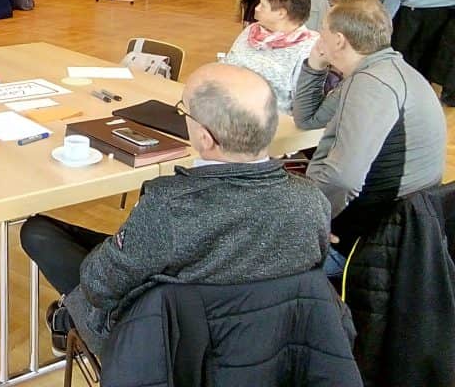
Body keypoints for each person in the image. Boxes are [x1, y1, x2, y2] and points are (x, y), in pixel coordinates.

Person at [21, 63, 331, 357]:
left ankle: (66, 320)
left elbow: (98, 286)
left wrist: (129, 240)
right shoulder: (312, 201)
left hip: (163, 345)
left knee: (37, 232)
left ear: (204, 138)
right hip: (268, 345)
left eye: (185, 112)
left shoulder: (169, 208)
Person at [292, 0, 446, 275]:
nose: (318, 34)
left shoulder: (370, 84)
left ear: (338, 40)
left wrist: (306, 221)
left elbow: (342, 178)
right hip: (400, 231)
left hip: (367, 246)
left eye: (323, 27)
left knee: (242, 249)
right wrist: (315, 65)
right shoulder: (383, 70)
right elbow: (309, 119)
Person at [223, 0, 319, 113]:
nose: (256, 8)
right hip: (229, 105)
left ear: (281, 13)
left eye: (262, 5)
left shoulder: (308, 48)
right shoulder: (252, 30)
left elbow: (303, 104)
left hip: (267, 119)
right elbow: (228, 63)